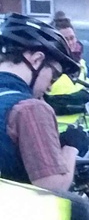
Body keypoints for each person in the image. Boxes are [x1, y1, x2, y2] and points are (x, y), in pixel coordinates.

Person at [0, 15, 81, 191]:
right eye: (54, 76)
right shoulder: (29, 109)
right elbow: (52, 187)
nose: (50, 87)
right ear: (36, 60)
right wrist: (71, 147)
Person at [45, 14, 89, 152]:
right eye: (65, 39)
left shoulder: (83, 65)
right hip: (56, 137)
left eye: (72, 38)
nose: (70, 42)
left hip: (85, 135)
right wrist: (78, 101)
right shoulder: (48, 66)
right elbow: (44, 101)